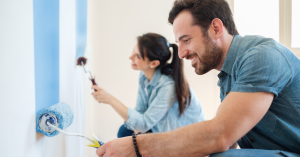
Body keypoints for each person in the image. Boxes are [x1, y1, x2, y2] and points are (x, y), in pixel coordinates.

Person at [95, 0, 300, 157]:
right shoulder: (227, 78)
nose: (181, 53)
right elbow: (228, 141)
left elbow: (220, 135)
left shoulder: (262, 56)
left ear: (216, 28)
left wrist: (137, 146)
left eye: (187, 40)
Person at [92, 33, 205, 138]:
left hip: (186, 138)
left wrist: (110, 100)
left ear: (154, 63)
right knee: (125, 131)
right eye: (133, 50)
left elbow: (144, 124)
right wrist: (138, 127)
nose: (130, 57)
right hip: (160, 128)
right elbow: (140, 112)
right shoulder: (144, 76)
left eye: (138, 56)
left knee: (127, 134)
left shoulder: (168, 86)